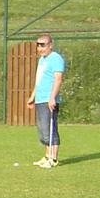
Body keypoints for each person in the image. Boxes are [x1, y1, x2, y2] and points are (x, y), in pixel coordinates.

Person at [26, 33, 65, 168]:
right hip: (40, 99)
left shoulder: (56, 58)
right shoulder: (42, 60)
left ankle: (53, 159)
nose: (40, 48)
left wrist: (52, 97)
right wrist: (32, 97)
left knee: (50, 128)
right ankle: (47, 156)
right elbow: (39, 81)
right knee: (43, 130)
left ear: (50, 45)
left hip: (49, 100)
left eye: (43, 45)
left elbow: (58, 79)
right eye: (38, 45)